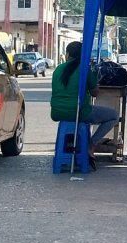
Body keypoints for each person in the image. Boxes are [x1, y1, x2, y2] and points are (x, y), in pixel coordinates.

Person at [50, 42, 120, 171]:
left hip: (57, 112)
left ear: (68, 55)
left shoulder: (58, 69)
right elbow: (95, 93)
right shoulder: (84, 70)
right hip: (79, 112)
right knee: (114, 116)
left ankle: (75, 148)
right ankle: (91, 145)